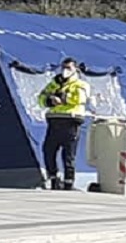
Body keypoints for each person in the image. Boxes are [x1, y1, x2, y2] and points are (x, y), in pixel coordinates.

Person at [37, 57, 90, 190]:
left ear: (75, 69)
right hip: (54, 121)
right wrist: (50, 100)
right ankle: (53, 178)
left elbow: (79, 99)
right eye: (64, 68)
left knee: (68, 155)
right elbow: (41, 98)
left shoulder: (80, 84)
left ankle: (68, 183)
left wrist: (61, 97)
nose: (65, 71)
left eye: (69, 68)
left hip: (71, 121)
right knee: (48, 151)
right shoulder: (54, 83)